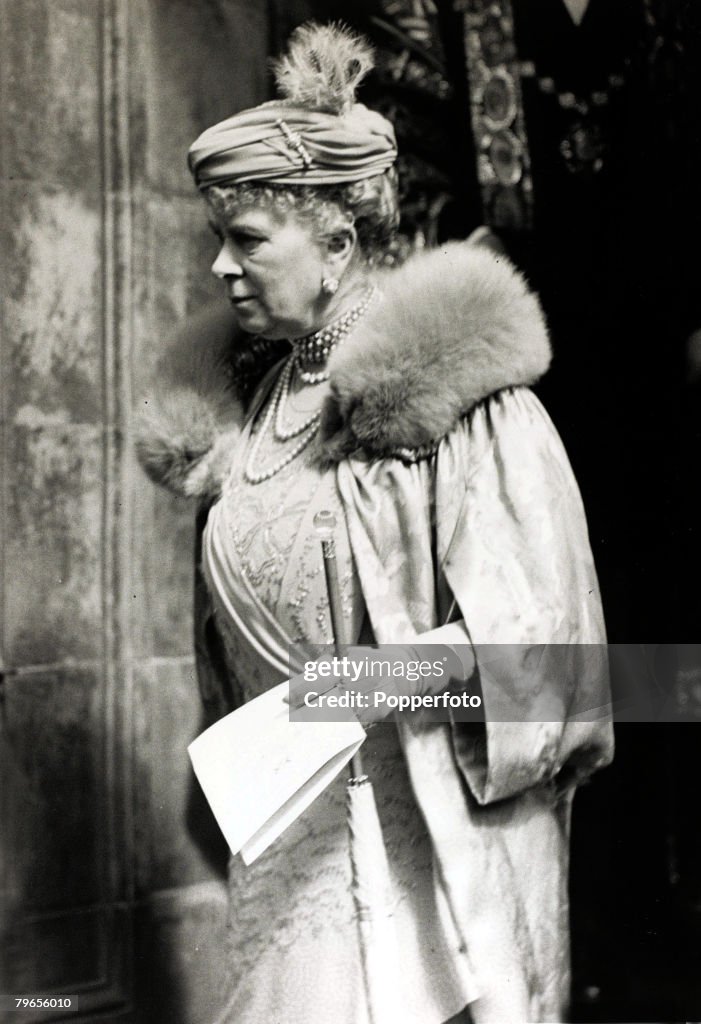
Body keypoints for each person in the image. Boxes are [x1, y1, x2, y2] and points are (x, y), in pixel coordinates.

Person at [136, 22, 613, 1024]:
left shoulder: (466, 409)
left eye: (247, 239)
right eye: (217, 239)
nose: (220, 267)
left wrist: (358, 684)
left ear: (339, 244)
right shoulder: (242, 419)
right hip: (283, 854)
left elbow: (552, 663)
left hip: (420, 856)